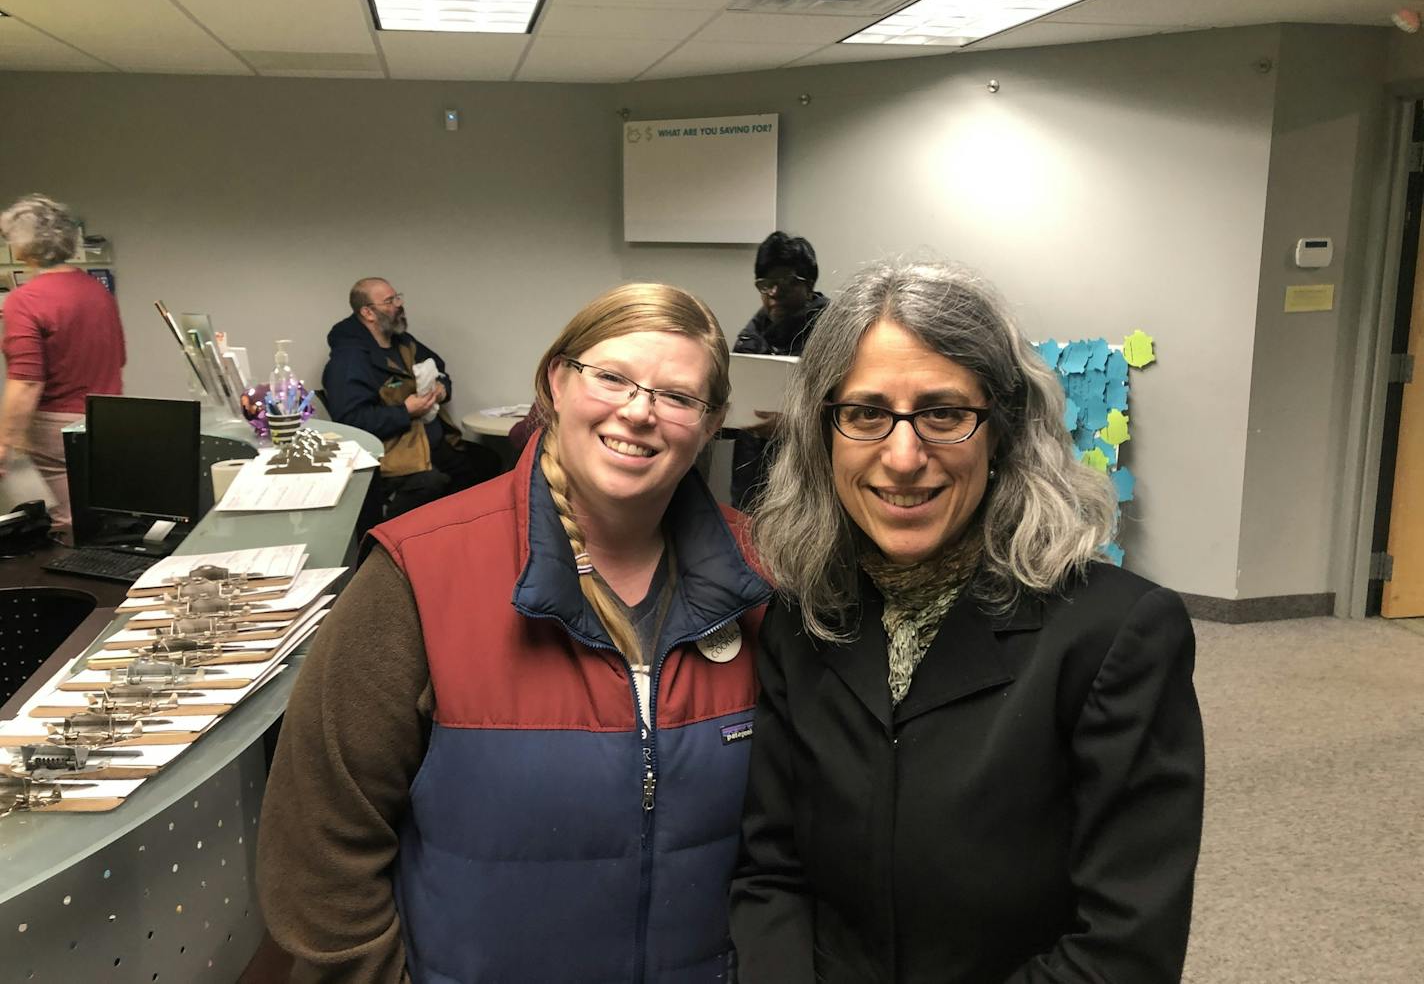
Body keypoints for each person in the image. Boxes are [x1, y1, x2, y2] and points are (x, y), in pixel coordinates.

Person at [259, 282, 772, 982]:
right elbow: (319, 846)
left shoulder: (766, 579)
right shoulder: (418, 573)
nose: (639, 411)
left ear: (713, 424)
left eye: (678, 398)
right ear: (557, 382)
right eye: (613, 377)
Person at [730, 260, 1205, 983]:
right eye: (865, 414)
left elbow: (1122, 950)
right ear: (823, 435)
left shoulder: (1117, 637)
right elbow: (772, 876)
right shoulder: (803, 619)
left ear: (1003, 429)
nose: (902, 457)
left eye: (943, 414)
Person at [323, 276, 498, 518]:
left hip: (431, 443)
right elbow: (352, 421)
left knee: (488, 462)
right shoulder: (349, 360)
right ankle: (397, 542)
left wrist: (441, 388)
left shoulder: (403, 343)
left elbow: (439, 368)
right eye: (389, 301)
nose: (398, 304)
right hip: (396, 457)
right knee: (434, 482)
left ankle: (461, 535)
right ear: (368, 313)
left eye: (397, 297)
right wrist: (404, 411)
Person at [0, 194, 125, 530]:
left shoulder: (24, 300)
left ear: (21, 246)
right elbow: (118, 358)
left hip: (57, 430)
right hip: (110, 418)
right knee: (106, 518)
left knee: (69, 527)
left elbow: (26, 381)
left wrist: (3, 442)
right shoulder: (97, 292)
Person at [728, 231, 827, 510]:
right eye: (765, 284)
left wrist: (795, 426)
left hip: (808, 485)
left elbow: (851, 413)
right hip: (751, 481)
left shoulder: (832, 336)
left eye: (784, 282)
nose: (773, 293)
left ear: (808, 285)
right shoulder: (750, 337)